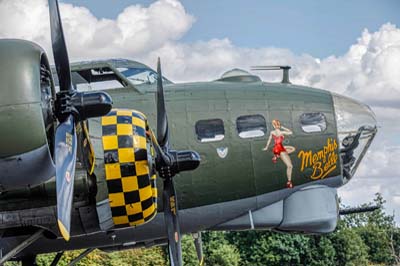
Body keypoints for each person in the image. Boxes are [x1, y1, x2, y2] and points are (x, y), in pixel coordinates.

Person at [262, 119, 295, 188]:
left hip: (276, 148)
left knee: (291, 149)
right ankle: (289, 182)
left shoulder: (272, 132)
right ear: (278, 125)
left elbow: (269, 140)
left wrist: (266, 147)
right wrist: (283, 127)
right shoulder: (281, 132)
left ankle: (276, 156)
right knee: (290, 166)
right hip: (280, 149)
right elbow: (290, 132)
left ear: (273, 126)